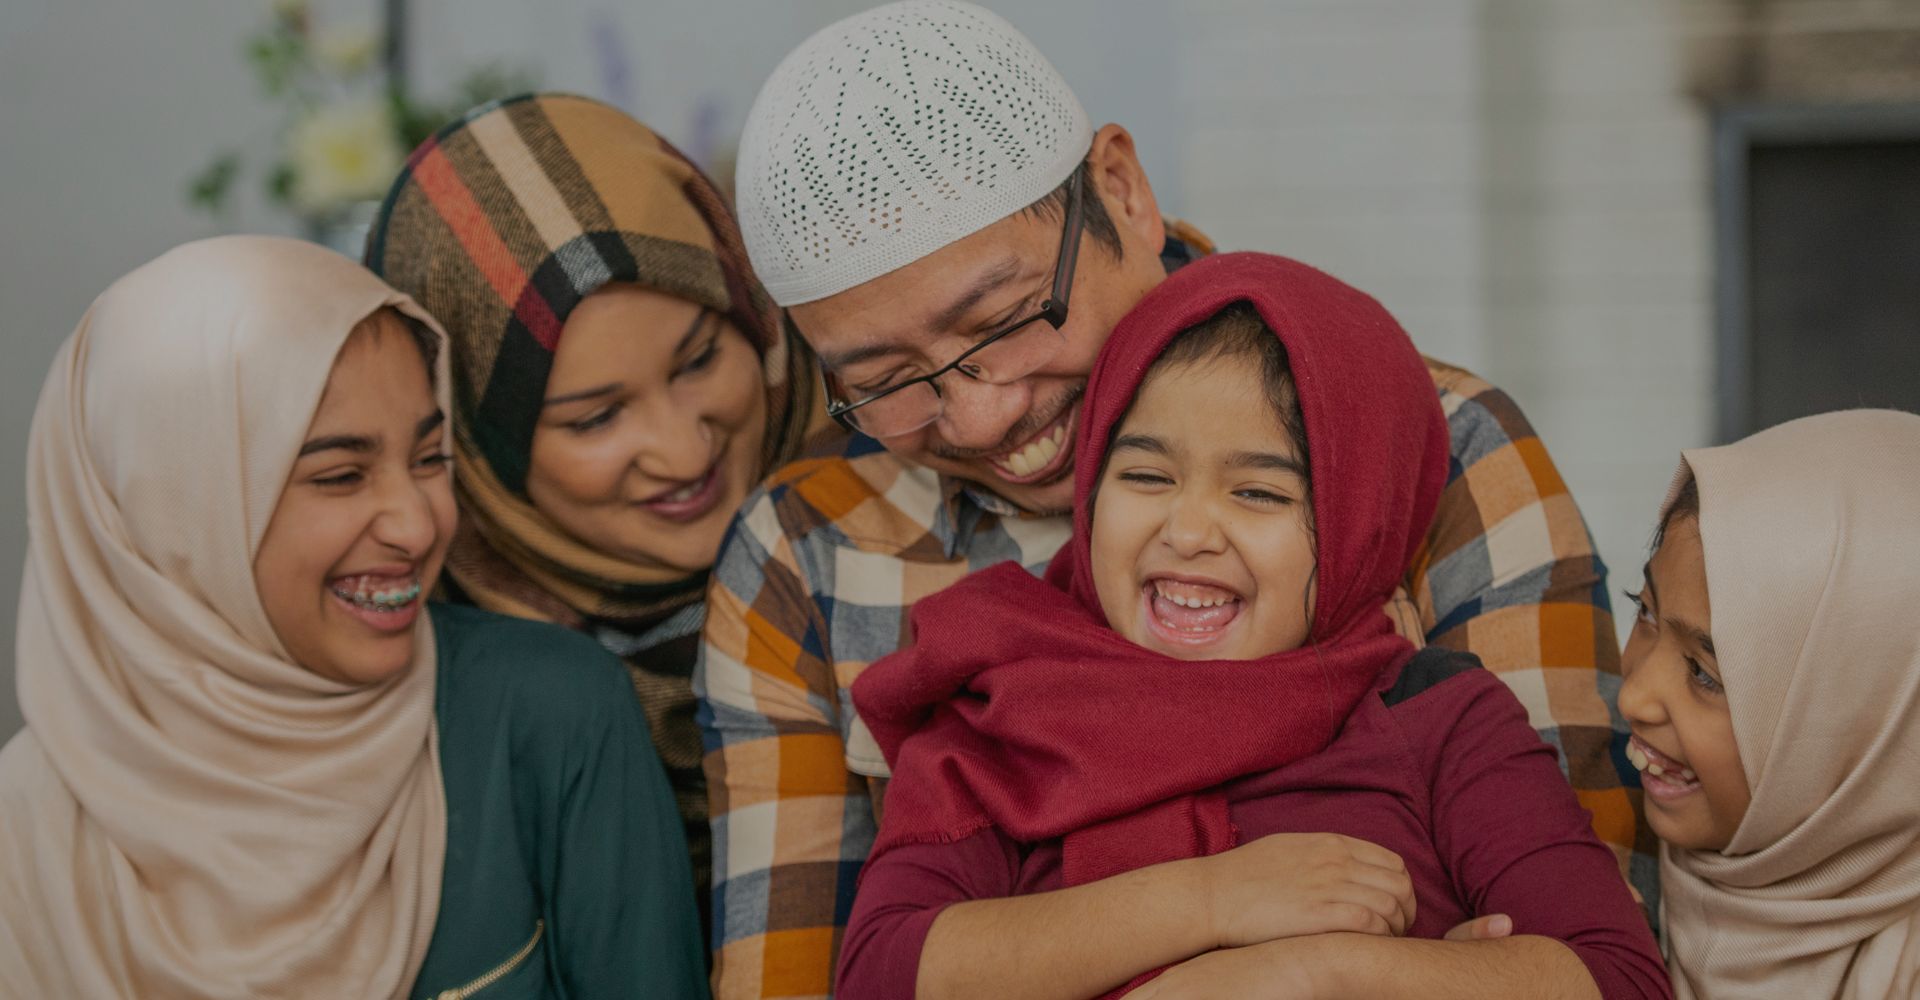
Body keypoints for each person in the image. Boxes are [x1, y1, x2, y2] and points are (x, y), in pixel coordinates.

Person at [699, 2, 1648, 992]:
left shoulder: (1438, 448)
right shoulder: (803, 558)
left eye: (1006, 320)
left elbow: (1583, 943)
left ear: (1121, 191)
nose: (980, 419)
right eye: (888, 383)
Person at [837, 252, 1667, 1000]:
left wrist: (1315, 970)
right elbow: (883, 973)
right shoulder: (998, 715)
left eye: (1260, 493)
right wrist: (1217, 899)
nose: (1190, 531)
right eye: (1147, 474)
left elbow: (1616, 977)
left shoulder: (1439, 720)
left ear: (1356, 527)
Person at [0, 237, 708, 999]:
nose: (417, 523)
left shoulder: (546, 714)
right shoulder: (25, 829)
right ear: (172, 513)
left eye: (430, 459)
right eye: (339, 476)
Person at [366, 92, 820, 933]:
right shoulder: (420, 695)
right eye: (596, 417)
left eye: (699, 360)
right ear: (476, 443)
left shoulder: (903, 481)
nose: (684, 452)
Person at [1617, 409, 1920, 999]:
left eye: (1706, 676)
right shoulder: (1603, 850)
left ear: (1863, 729)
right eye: (1645, 612)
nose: (1632, 696)